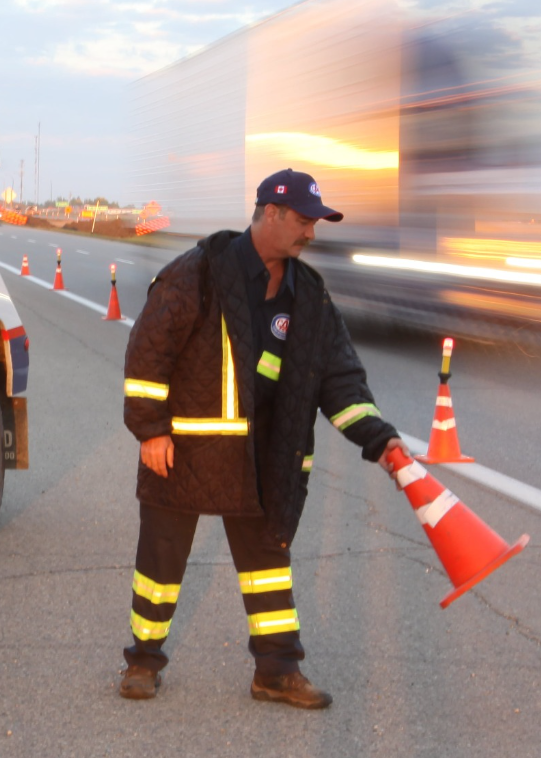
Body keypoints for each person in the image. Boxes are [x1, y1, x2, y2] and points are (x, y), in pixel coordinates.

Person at [119, 168, 404, 709]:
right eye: (302, 220)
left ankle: (276, 671)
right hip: (186, 447)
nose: (311, 234)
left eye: (315, 223)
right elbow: (147, 354)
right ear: (269, 214)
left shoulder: (309, 296)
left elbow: (340, 380)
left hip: (260, 456)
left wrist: (380, 440)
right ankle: (142, 662)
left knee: (268, 562)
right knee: (161, 561)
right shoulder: (197, 273)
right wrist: (150, 430)